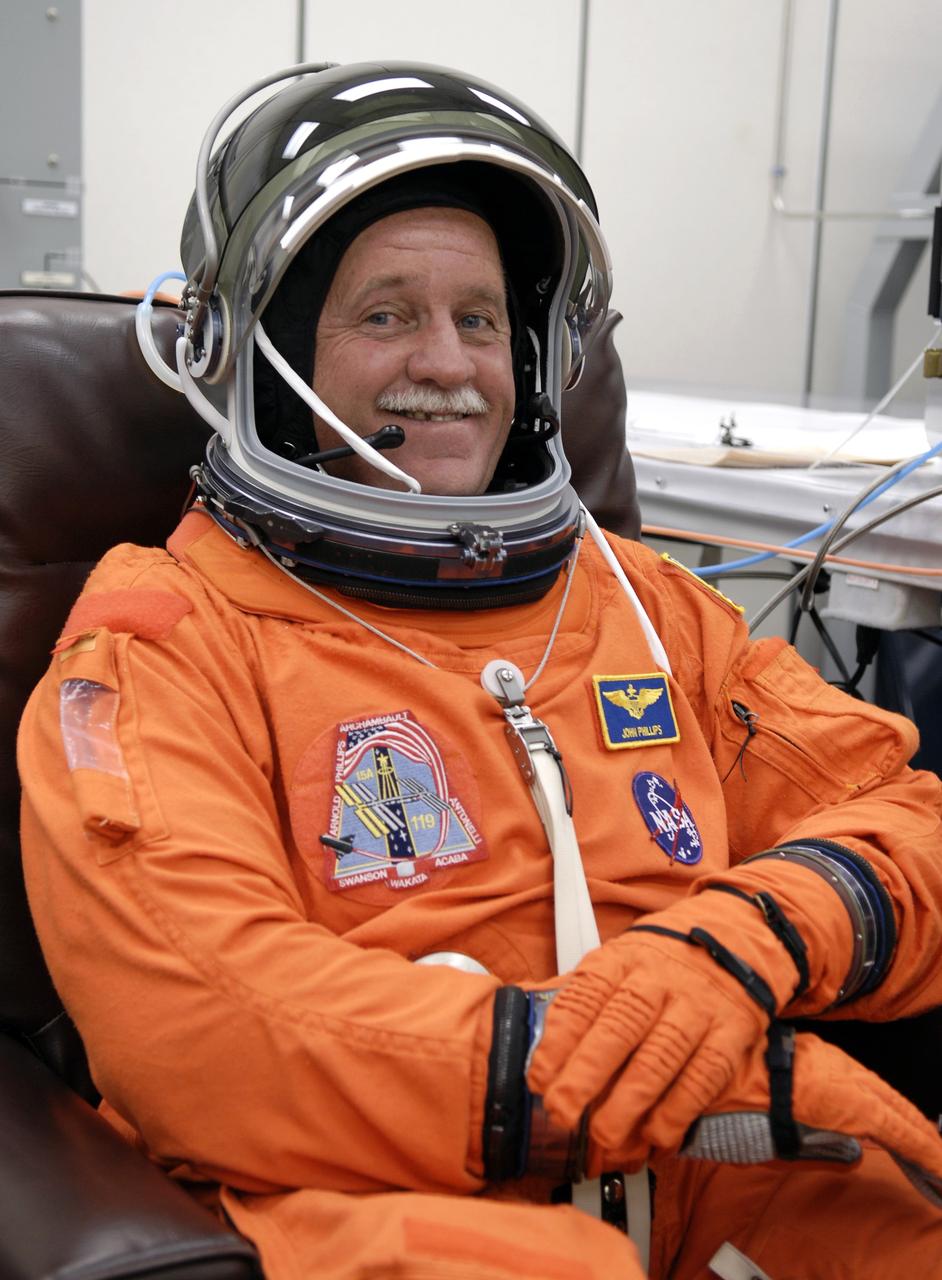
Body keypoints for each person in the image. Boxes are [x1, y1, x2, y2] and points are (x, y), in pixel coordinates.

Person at [17, 62, 942, 1280]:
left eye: (483, 318)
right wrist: (584, 1065)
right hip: (376, 1191)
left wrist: (732, 945)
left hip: (708, 1141)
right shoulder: (163, 640)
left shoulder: (643, 606)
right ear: (265, 350)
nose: (449, 364)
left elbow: (899, 814)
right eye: (386, 313)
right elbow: (209, 1016)